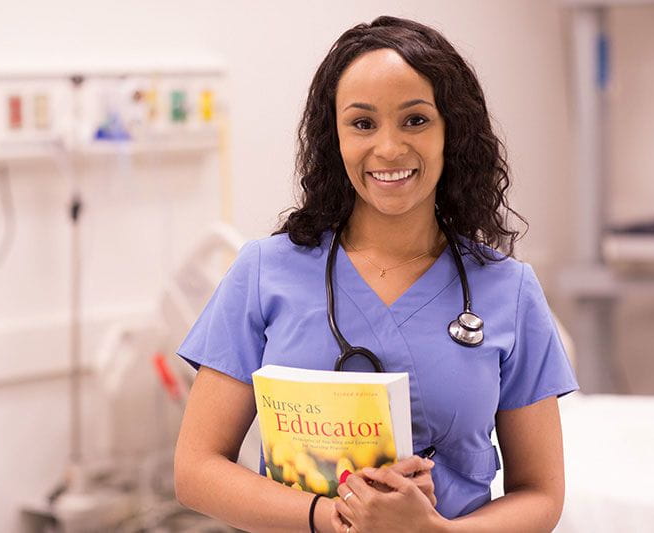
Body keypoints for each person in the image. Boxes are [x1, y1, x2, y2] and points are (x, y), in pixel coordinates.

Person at [174, 15, 578, 533]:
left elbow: (541, 493)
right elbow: (196, 470)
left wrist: (433, 532)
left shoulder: (508, 290)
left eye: (415, 120)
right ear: (335, 138)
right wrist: (338, 516)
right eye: (363, 124)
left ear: (452, 132)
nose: (388, 148)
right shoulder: (263, 273)